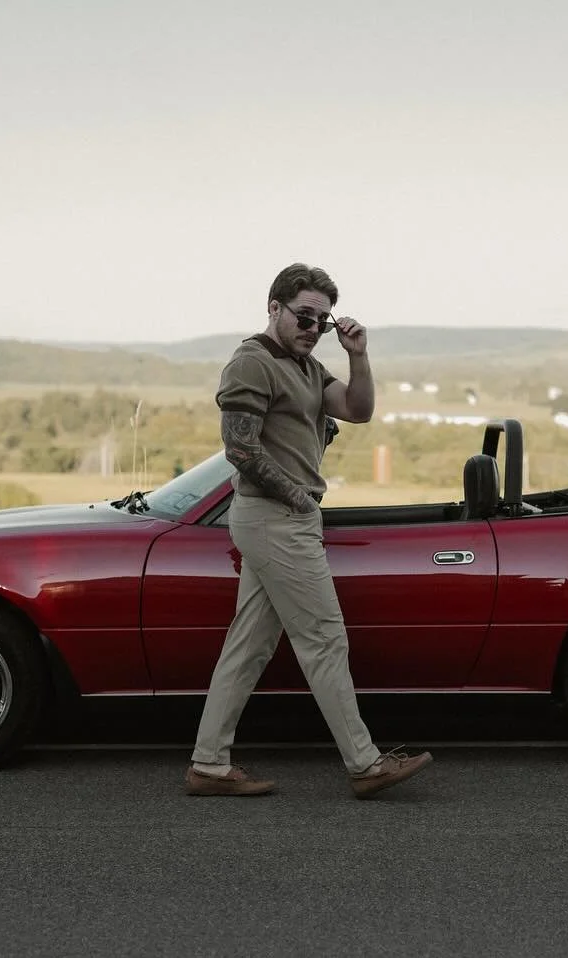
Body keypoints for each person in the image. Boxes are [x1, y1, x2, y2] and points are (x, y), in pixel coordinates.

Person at [186, 263, 433, 799]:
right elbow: (241, 449)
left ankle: (208, 764)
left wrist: (358, 354)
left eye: (322, 320)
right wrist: (300, 502)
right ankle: (366, 764)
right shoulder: (252, 362)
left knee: (248, 645)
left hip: (280, 520)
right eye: (304, 315)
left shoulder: (305, 365)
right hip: (276, 518)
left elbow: (359, 409)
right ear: (274, 308)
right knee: (324, 639)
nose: (312, 327)